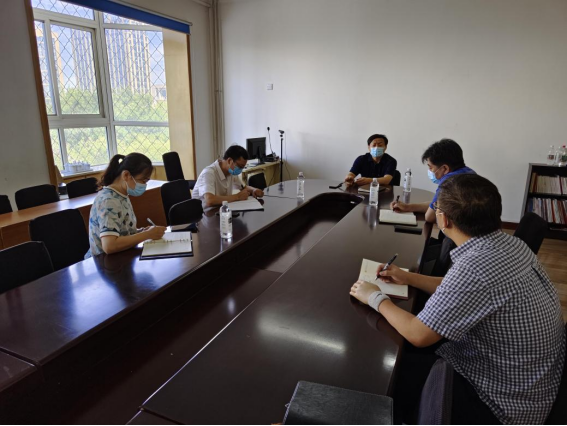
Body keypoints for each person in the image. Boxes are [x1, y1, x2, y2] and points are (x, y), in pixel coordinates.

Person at [350, 174, 566, 425]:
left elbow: (418, 334)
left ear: (443, 219)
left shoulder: (474, 268)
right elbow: (460, 288)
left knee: (385, 370)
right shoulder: (511, 245)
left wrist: (374, 297)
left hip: (501, 405)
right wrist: (408, 278)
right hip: (533, 381)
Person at [86, 153, 166, 259]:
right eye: (142, 181)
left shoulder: (122, 195)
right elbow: (109, 246)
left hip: (119, 257)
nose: (144, 185)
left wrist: (142, 231)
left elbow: (122, 231)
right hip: (102, 262)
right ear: (126, 175)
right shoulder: (109, 200)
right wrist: (147, 235)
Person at [391, 139, 475, 223]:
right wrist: (408, 207)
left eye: (430, 167)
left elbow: (429, 216)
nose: (430, 171)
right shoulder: (470, 173)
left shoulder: (449, 182)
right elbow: (435, 206)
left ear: (445, 168)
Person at [192, 145, 264, 211]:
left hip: (220, 210)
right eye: (240, 166)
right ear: (229, 161)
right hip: (203, 214)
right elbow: (210, 201)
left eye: (243, 167)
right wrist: (237, 197)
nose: (240, 170)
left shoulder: (231, 171)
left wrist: (254, 190)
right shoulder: (208, 173)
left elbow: (243, 187)